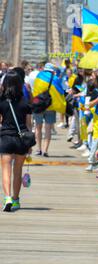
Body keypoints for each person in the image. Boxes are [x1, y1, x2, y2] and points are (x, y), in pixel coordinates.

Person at [0, 71, 33, 212]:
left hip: (6, 138)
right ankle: (15, 200)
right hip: (21, 140)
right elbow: (29, 124)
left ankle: (7, 198)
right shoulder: (25, 102)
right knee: (17, 171)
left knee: (6, 170)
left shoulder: (1, 101)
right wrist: (30, 144)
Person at [32, 63, 61, 158]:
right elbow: (60, 92)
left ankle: (38, 149)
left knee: (38, 127)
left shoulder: (38, 76)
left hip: (38, 105)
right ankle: (45, 150)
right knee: (48, 128)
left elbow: (34, 90)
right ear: (52, 71)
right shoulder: (55, 78)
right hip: (50, 106)